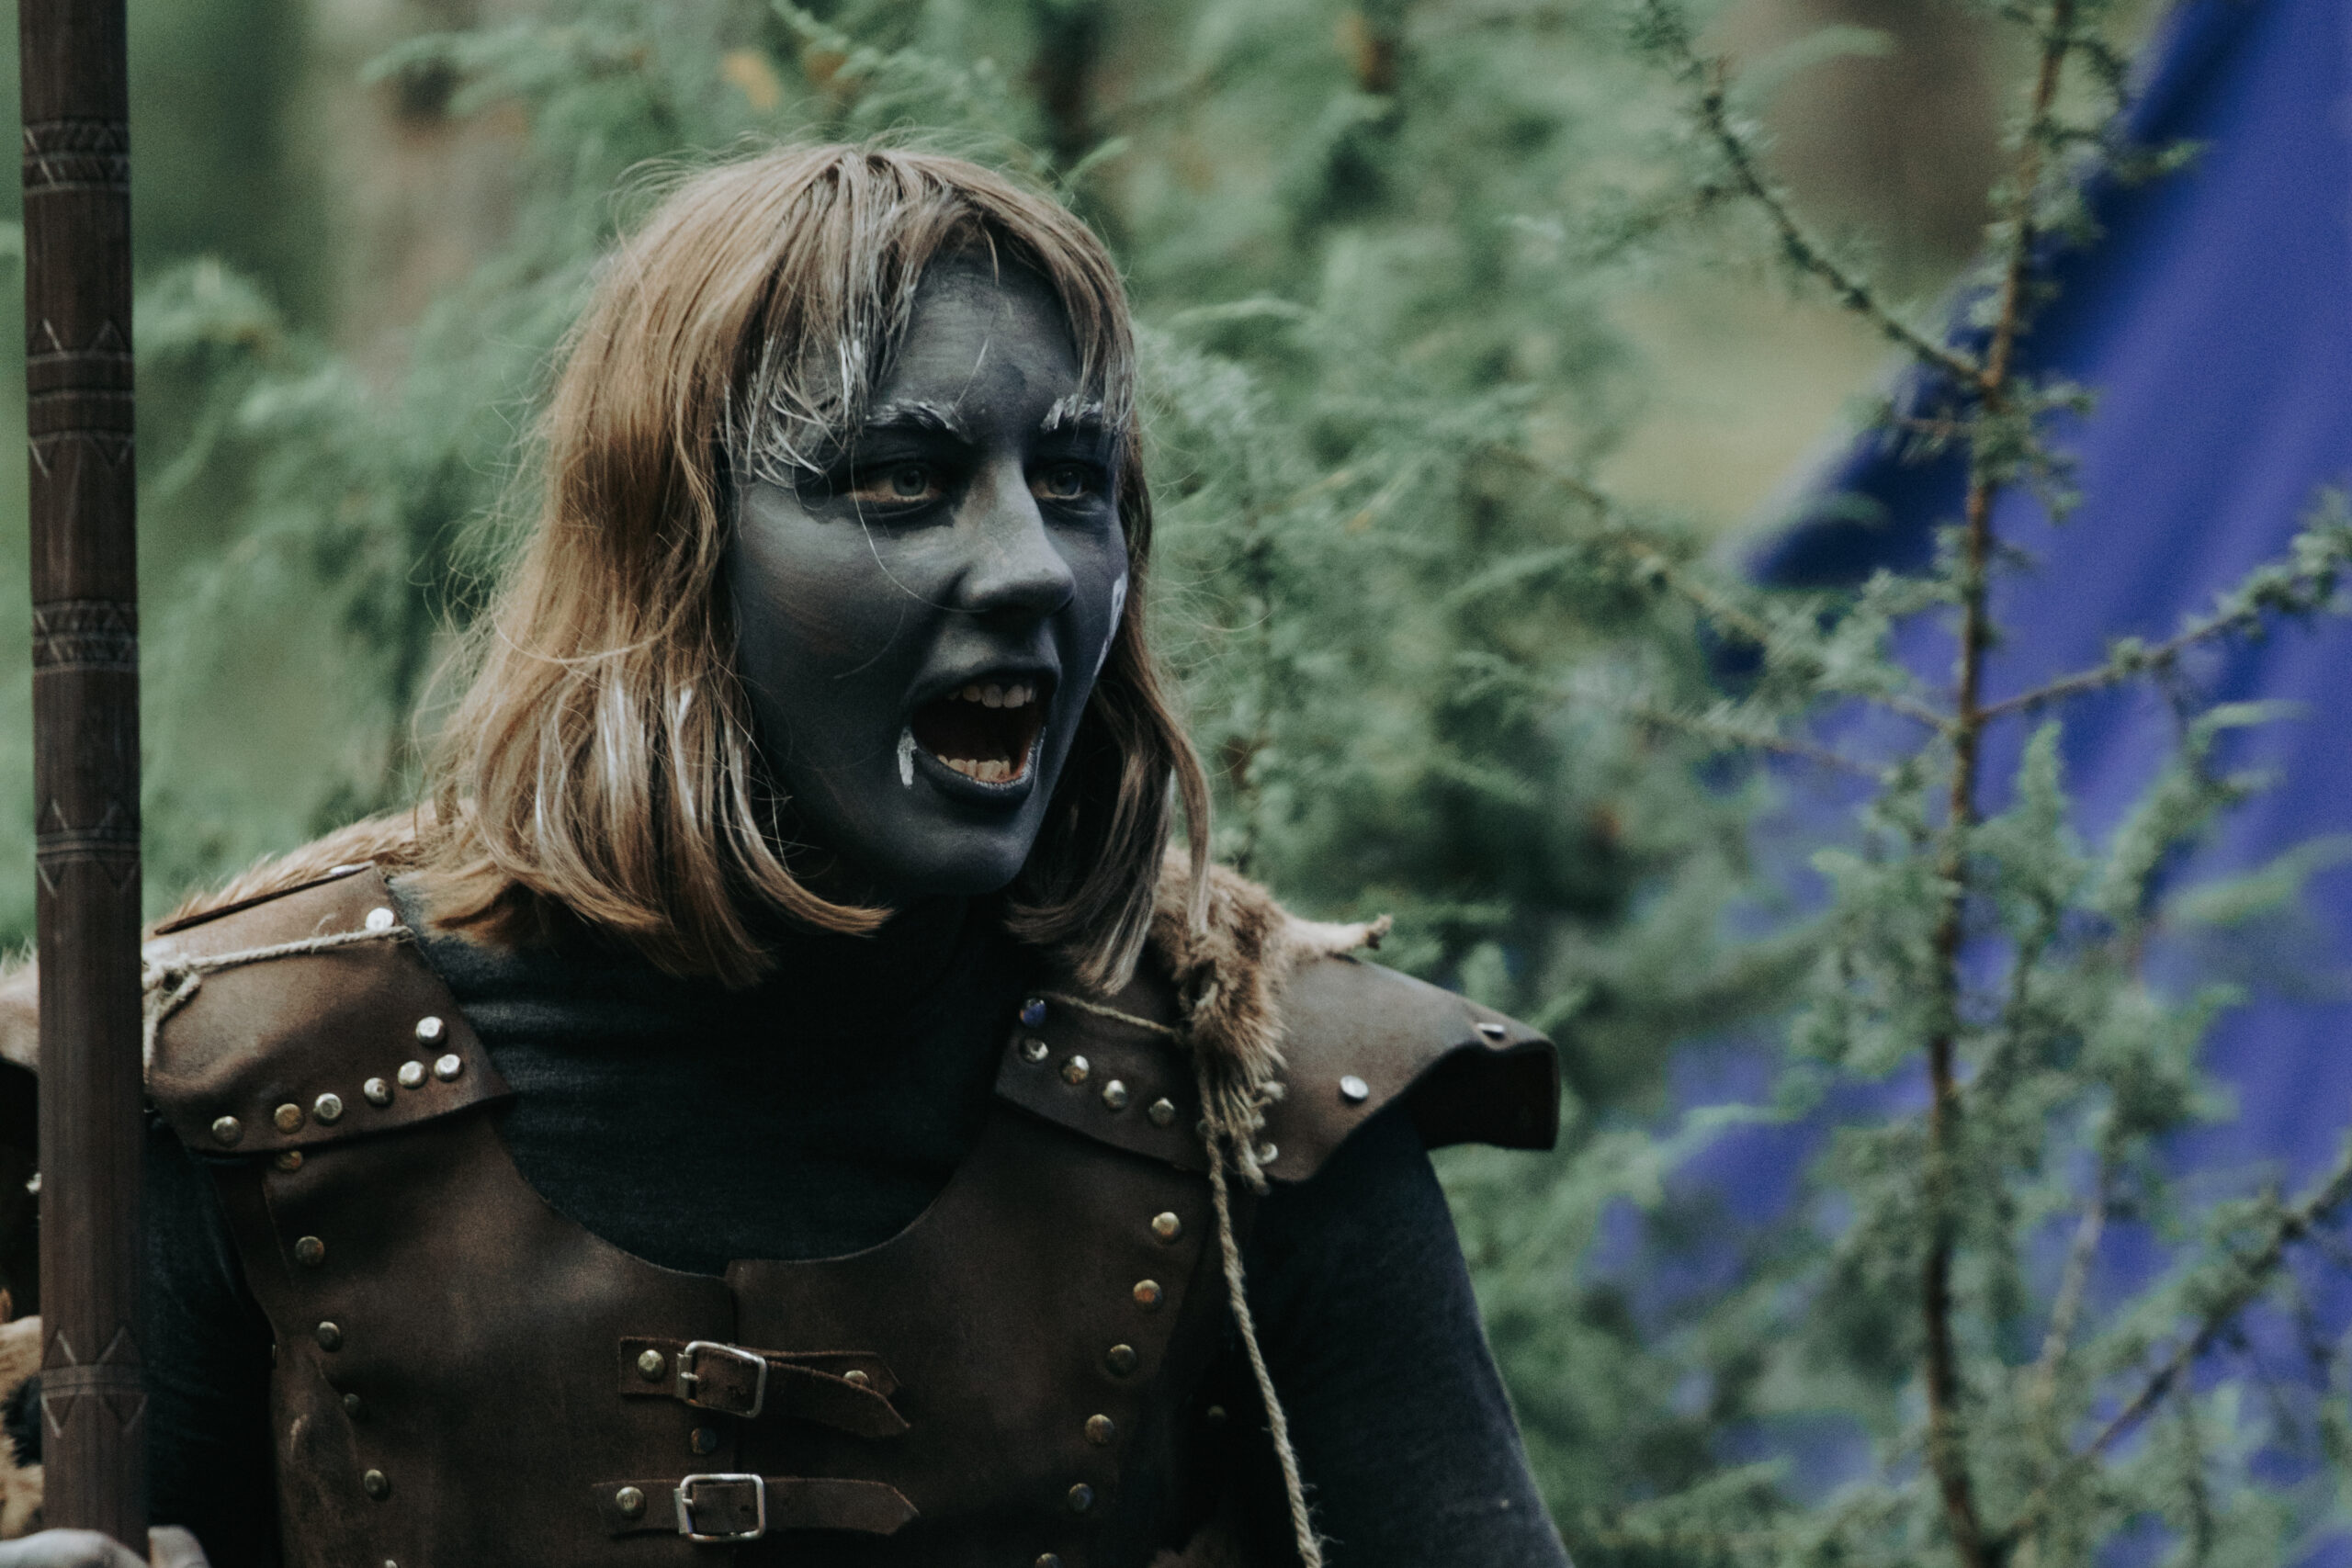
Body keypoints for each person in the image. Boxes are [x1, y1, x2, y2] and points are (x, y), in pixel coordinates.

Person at [0, 145, 1568, 1567]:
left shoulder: (1251, 1096)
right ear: (670, 548)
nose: (1034, 564)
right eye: (902, 480)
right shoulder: (238, 1080)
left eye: (1074, 484)